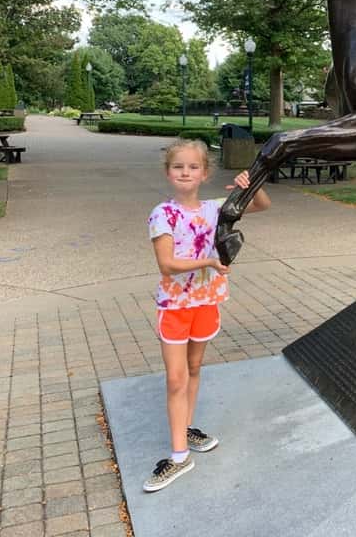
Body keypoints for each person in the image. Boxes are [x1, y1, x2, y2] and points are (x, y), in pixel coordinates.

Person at [143, 139, 271, 491]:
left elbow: (262, 206)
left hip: (207, 301)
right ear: (169, 172)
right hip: (175, 304)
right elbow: (167, 265)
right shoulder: (163, 214)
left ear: (205, 173)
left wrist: (249, 186)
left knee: (195, 369)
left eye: (193, 167)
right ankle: (179, 457)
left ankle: (185, 427)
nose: (185, 172)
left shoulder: (216, 208)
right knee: (175, 378)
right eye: (178, 166)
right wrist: (210, 261)